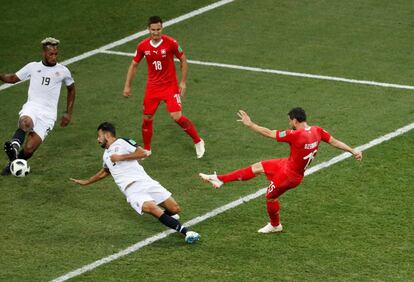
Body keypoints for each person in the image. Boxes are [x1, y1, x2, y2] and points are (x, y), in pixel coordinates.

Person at [200, 108, 362, 233]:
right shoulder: (317, 131)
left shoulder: (295, 134)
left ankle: (275, 225)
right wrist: (353, 150)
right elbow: (334, 141)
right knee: (258, 167)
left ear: (295, 120)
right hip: (288, 164)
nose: (289, 123)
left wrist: (250, 124)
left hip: (290, 176)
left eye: (290, 120)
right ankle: (220, 179)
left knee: (270, 197)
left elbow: (268, 133)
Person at [70, 122, 201, 244]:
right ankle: (187, 232)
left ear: (107, 135)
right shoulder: (105, 155)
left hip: (146, 182)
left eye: (99, 136)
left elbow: (142, 153)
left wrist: (120, 157)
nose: (98, 140)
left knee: (175, 208)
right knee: (153, 208)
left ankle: (168, 219)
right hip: (132, 190)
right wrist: (86, 182)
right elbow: (105, 171)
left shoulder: (122, 142)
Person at [122, 16, 205, 159]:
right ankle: (147, 150)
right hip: (152, 88)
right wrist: (127, 85)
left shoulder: (171, 43)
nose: (156, 32)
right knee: (147, 117)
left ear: (162, 28)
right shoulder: (142, 46)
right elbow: (134, 65)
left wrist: (183, 82)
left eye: (158, 29)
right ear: (148, 29)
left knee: (176, 116)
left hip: (170, 86)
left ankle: (198, 141)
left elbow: (183, 60)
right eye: (153, 30)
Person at [0, 37, 76, 175]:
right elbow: (11, 79)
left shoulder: (63, 71)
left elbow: (72, 89)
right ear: (44, 53)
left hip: (48, 116)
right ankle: (14, 148)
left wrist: (68, 113)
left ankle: (13, 163)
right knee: (26, 122)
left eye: (56, 54)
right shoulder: (33, 67)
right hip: (32, 107)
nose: (54, 57)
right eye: (51, 54)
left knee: (29, 148)